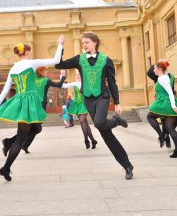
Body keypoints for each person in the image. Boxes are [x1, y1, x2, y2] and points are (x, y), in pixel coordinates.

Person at [55, 31, 134, 180]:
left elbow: (112, 82)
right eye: (83, 43)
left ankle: (116, 120)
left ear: (94, 42)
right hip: (88, 100)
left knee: (98, 123)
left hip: (103, 97)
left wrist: (117, 102)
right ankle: (127, 166)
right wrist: (60, 46)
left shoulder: (106, 60)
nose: (84, 45)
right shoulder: (80, 59)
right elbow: (59, 64)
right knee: (107, 135)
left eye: (86, 42)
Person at [0, 36, 64, 181]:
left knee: (37, 128)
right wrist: (60, 45)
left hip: (21, 99)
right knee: (20, 139)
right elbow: (56, 61)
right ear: (27, 51)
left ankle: (8, 142)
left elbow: (6, 89)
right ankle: (5, 168)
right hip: (29, 101)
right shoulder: (32, 63)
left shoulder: (13, 68)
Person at [1, 67, 66, 154]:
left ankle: (14, 143)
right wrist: (63, 77)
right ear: (42, 72)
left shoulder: (32, 80)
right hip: (40, 106)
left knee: (33, 128)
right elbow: (59, 85)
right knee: (35, 128)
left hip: (32, 104)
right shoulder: (46, 80)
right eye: (46, 71)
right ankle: (11, 142)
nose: (47, 72)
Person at [146, 60, 177, 158]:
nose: (153, 70)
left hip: (165, 103)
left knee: (150, 116)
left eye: (155, 68)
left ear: (160, 69)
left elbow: (170, 92)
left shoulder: (162, 79)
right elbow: (165, 73)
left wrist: (173, 106)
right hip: (166, 102)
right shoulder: (166, 76)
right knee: (169, 127)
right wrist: (161, 63)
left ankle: (162, 135)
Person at [62, 71, 98, 149]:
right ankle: (93, 140)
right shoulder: (75, 83)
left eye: (80, 74)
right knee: (85, 124)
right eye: (77, 75)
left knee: (82, 120)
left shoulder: (87, 83)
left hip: (85, 104)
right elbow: (63, 85)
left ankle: (86, 140)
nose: (78, 76)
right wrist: (62, 75)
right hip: (77, 105)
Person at [147, 59, 176, 148]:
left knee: (165, 121)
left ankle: (163, 137)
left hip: (162, 100)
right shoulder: (170, 76)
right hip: (169, 100)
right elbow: (150, 72)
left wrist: (157, 62)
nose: (154, 69)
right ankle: (166, 139)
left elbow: (149, 72)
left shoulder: (161, 77)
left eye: (156, 67)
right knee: (165, 121)